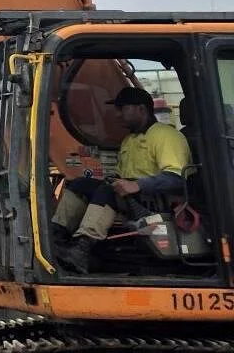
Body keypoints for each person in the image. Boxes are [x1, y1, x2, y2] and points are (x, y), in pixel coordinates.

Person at [53, 88, 192, 270]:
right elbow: (121, 174)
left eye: (123, 108)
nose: (118, 114)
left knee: (108, 191)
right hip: (130, 196)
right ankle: (57, 236)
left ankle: (83, 247)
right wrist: (114, 180)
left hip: (156, 200)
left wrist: (138, 185)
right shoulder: (129, 141)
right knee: (80, 184)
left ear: (141, 109)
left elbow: (176, 179)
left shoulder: (166, 136)